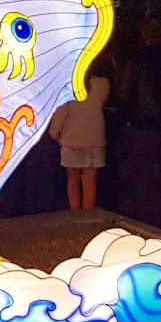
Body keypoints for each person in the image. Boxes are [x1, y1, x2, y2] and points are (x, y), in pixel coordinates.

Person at [119, 17, 161, 225]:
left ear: (144, 34)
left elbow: (125, 93)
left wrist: (125, 117)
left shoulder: (136, 60)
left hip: (142, 124)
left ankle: (145, 217)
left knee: (142, 174)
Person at [50, 54, 111, 211]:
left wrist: (54, 132)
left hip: (72, 138)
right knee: (90, 181)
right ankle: (87, 215)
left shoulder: (69, 86)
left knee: (72, 180)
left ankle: (75, 214)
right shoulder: (103, 84)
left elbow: (61, 113)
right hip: (94, 138)